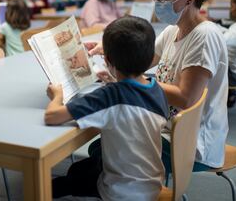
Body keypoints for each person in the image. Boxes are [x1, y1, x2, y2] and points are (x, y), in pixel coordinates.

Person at [85, 0, 229, 174]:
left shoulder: (205, 36)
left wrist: (133, 81)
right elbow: (142, 60)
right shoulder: (173, 30)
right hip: (169, 129)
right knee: (102, 147)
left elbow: (185, 98)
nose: (158, 3)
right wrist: (109, 49)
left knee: (103, 149)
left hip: (192, 145)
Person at [45, 16, 169, 201]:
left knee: (66, 181)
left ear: (107, 59)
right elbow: (131, 103)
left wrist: (57, 95)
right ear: (151, 57)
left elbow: (52, 116)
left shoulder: (110, 96)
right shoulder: (156, 89)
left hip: (120, 191)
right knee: (80, 169)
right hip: (152, 184)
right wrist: (113, 80)